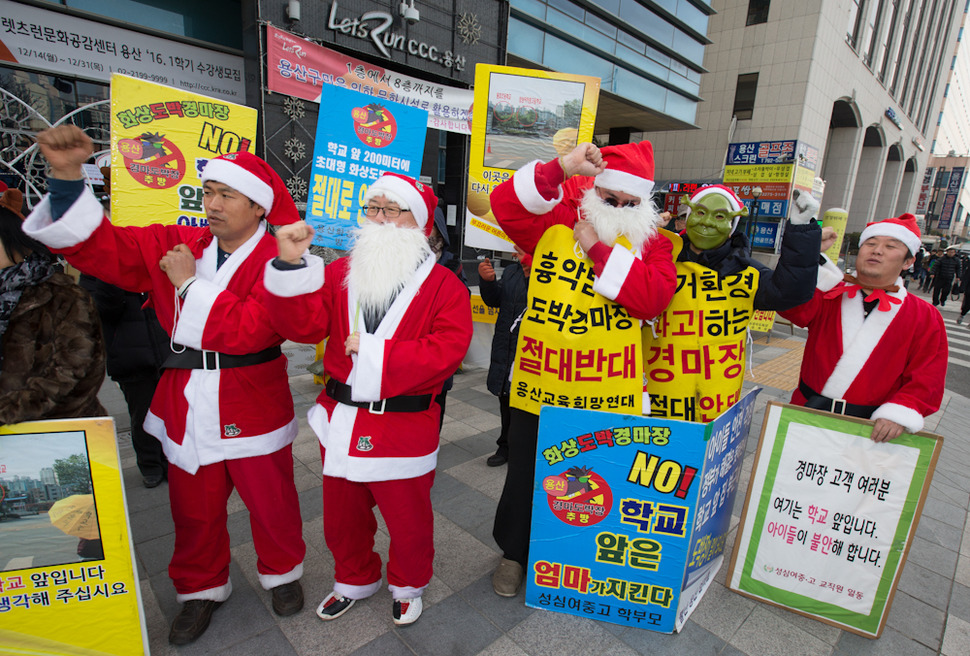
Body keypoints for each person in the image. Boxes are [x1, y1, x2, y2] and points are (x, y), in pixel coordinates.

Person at [25, 126, 307, 645]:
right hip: (186, 398)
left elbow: (253, 329)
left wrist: (188, 287)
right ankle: (200, 588)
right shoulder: (177, 243)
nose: (212, 204)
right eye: (209, 192)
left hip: (253, 394)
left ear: (259, 207)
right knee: (192, 507)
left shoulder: (279, 261)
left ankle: (284, 573)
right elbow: (103, 248)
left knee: (273, 502)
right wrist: (67, 177)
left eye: (227, 195)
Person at [263, 173, 473, 627]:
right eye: (371, 208)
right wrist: (290, 266)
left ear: (419, 224)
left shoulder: (445, 287)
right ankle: (353, 579)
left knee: (407, 518)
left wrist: (376, 352)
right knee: (342, 516)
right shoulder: (339, 273)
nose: (378, 219)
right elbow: (303, 328)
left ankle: (407, 582)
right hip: (341, 418)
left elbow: (447, 353)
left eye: (390, 210)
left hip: (404, 422)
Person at [488, 141, 677, 597]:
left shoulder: (657, 245)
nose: (617, 208)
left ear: (644, 204)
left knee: (595, 479)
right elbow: (505, 206)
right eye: (609, 198)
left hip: (608, 392)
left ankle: (576, 556)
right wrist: (561, 167)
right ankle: (515, 553)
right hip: (542, 383)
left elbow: (652, 297)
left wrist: (596, 250)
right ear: (594, 191)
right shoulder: (556, 224)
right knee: (526, 473)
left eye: (629, 203)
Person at [643, 185, 822, 421]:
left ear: (732, 227)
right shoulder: (659, 260)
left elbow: (791, 291)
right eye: (700, 212)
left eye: (719, 216)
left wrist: (801, 231)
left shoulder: (747, 272)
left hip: (717, 400)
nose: (707, 222)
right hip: (656, 397)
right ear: (687, 217)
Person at [781, 213, 947, 442]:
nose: (877, 250)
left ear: (908, 262)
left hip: (872, 430)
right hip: (807, 412)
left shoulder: (925, 316)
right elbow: (791, 307)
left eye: (890, 246)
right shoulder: (829, 292)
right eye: (870, 243)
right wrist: (805, 254)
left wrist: (899, 413)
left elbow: (929, 376)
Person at [0, 186, 106, 425]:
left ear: (19, 243)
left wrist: (9, 411)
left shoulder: (62, 296)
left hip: (52, 434)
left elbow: (71, 371)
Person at [478, 246, 531, 467]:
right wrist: (487, 282)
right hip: (506, 345)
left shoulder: (549, 274)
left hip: (530, 351)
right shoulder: (511, 271)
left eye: (519, 250)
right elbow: (495, 300)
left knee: (526, 404)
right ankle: (505, 446)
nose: (513, 255)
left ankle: (526, 450)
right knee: (506, 399)